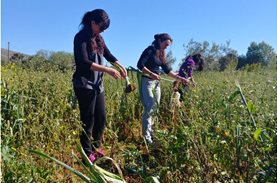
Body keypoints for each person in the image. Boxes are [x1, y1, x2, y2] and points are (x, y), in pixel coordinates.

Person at [72, 9, 127, 163]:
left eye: (104, 29)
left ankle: (96, 148)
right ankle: (86, 154)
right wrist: (108, 70)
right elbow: (83, 62)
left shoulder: (99, 39)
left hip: (97, 85)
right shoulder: (80, 37)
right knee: (88, 120)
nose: (102, 31)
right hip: (84, 84)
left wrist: (119, 65)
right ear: (93, 23)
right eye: (101, 27)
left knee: (101, 118)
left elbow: (108, 55)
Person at [137, 33, 189, 144]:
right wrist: (151, 74)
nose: (166, 47)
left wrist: (181, 79)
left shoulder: (161, 54)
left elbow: (168, 71)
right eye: (165, 44)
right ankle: (147, 138)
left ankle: (151, 134)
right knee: (150, 107)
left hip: (156, 83)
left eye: (168, 45)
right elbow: (140, 65)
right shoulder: (149, 50)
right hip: (147, 81)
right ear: (160, 41)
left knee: (155, 108)